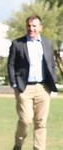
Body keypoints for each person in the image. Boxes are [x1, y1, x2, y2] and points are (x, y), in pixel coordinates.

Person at [8, 14, 58, 150]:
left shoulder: (47, 43)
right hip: (24, 89)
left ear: (40, 27)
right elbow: (11, 65)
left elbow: (51, 64)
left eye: (34, 26)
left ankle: (38, 148)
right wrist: (14, 84)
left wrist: (53, 81)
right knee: (25, 120)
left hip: (43, 88)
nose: (31, 29)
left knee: (41, 122)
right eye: (29, 26)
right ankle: (18, 145)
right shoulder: (17, 44)